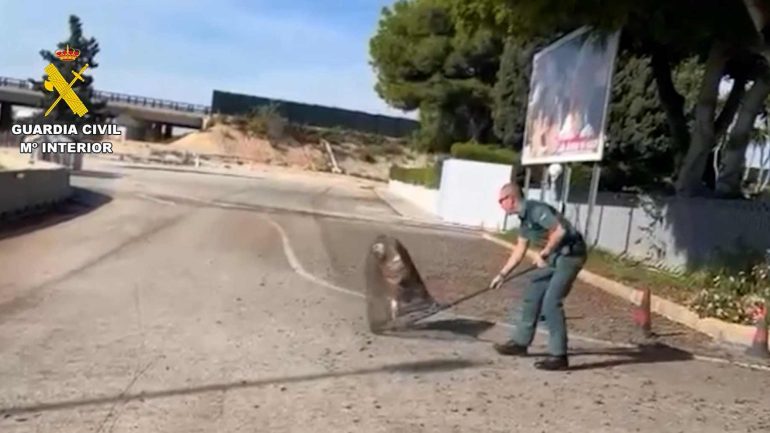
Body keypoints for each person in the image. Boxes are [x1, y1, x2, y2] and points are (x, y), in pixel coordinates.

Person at [490, 182, 587, 371]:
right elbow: (520, 249)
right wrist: (502, 275)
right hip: (553, 257)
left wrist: (545, 252)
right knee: (533, 294)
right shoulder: (524, 219)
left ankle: (558, 356)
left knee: (551, 303)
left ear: (511, 199)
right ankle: (520, 342)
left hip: (570, 255)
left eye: (501, 200)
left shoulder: (536, 210)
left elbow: (560, 230)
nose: (500, 204)